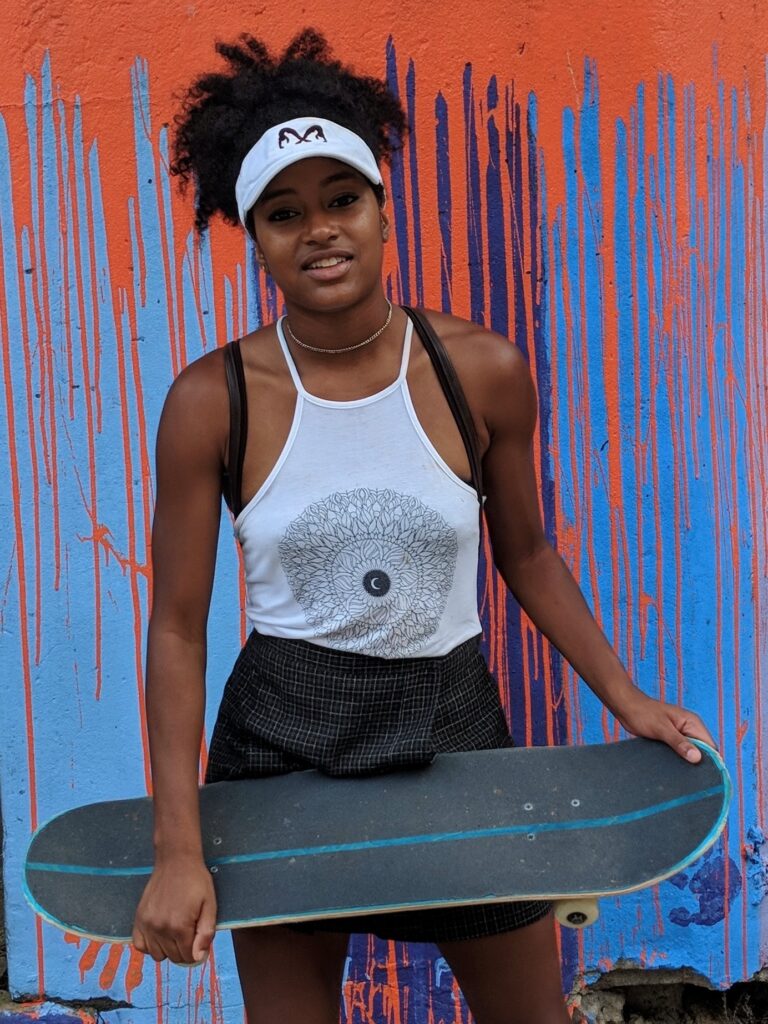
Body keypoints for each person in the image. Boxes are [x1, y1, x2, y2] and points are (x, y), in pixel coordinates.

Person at [131, 29, 715, 1024]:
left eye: (342, 199)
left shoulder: (478, 371)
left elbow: (527, 554)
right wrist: (178, 847)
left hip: (452, 727)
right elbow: (178, 628)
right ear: (254, 234)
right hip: (280, 743)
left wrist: (628, 696)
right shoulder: (211, 400)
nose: (319, 230)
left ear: (383, 209)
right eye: (284, 212)